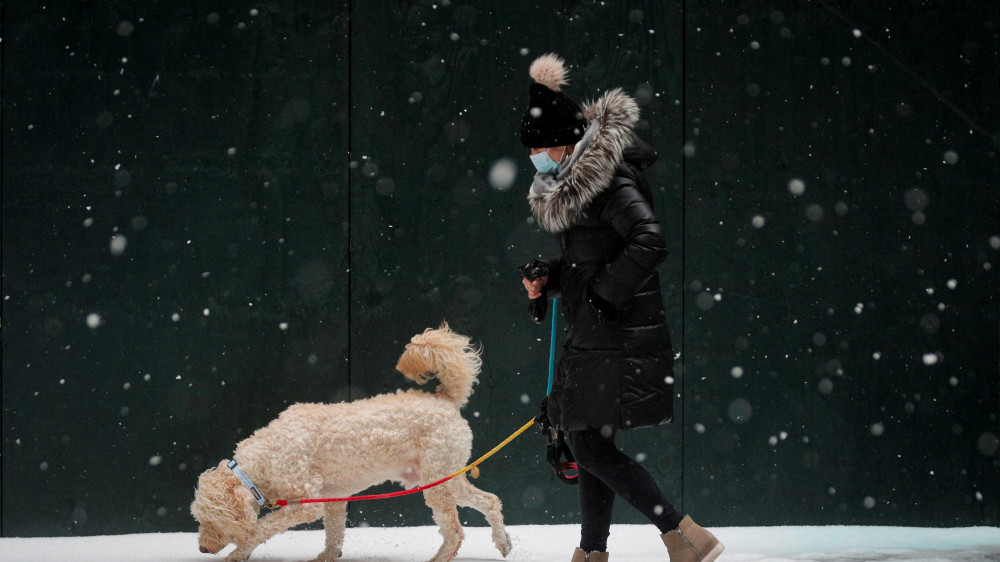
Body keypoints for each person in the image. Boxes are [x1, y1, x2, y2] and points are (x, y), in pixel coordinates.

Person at [517, 53, 725, 562]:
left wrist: (601, 294)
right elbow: (595, 257)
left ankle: (684, 534)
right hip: (595, 335)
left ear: (569, 140)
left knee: (588, 447)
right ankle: (592, 553)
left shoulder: (607, 179)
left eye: (543, 146)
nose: (537, 157)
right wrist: (552, 277)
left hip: (616, 335)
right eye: (532, 149)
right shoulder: (578, 186)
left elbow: (649, 240)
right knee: (589, 445)